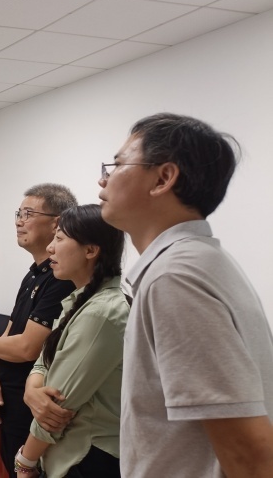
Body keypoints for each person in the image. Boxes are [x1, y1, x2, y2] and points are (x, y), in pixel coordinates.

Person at [98, 113, 273, 477]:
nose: (103, 179)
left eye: (116, 165)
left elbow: (248, 453)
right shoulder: (201, 261)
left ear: (163, 178)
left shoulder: (175, 277)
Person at [13, 204, 129, 477]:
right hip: (67, 455)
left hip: (86, 457)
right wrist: (31, 390)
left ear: (91, 250)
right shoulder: (78, 300)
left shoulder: (101, 313)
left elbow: (58, 406)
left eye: (60, 238)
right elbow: (43, 362)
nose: (50, 248)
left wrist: (25, 461)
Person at [0, 183, 78, 476]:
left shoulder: (61, 278)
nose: (19, 221)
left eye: (28, 214)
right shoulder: (33, 274)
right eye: (18, 214)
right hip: (10, 400)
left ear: (56, 223)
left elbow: (26, 348)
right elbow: (10, 334)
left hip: (34, 407)